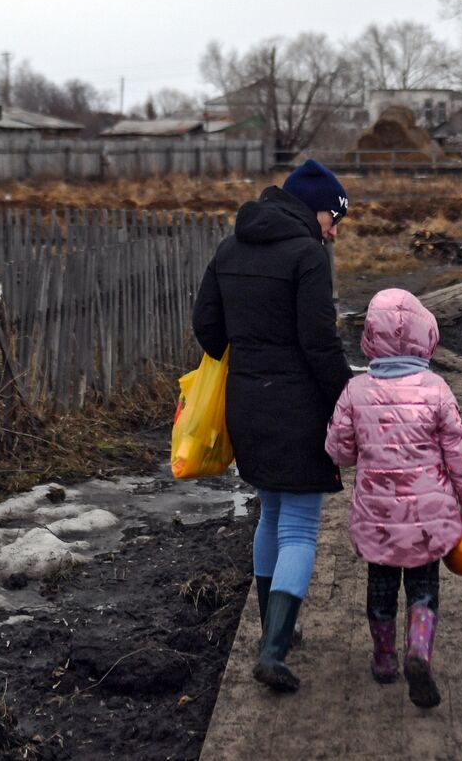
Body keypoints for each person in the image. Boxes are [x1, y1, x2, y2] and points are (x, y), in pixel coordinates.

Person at [192, 159, 353, 693]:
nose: (335, 229)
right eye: (334, 216)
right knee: (300, 528)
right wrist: (348, 398)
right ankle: (275, 648)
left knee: (271, 514)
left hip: (247, 404)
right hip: (298, 407)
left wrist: (250, 356)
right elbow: (318, 341)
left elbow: (206, 326)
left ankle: (273, 629)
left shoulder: (230, 246)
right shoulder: (307, 255)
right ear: (314, 207)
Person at [324, 288, 462, 709]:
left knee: (380, 588)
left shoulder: (355, 391)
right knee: (423, 589)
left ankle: (383, 658)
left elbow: (339, 453)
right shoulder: (436, 389)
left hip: (376, 516)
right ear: (424, 335)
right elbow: (460, 456)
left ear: (370, 338)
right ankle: (419, 652)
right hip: (428, 517)